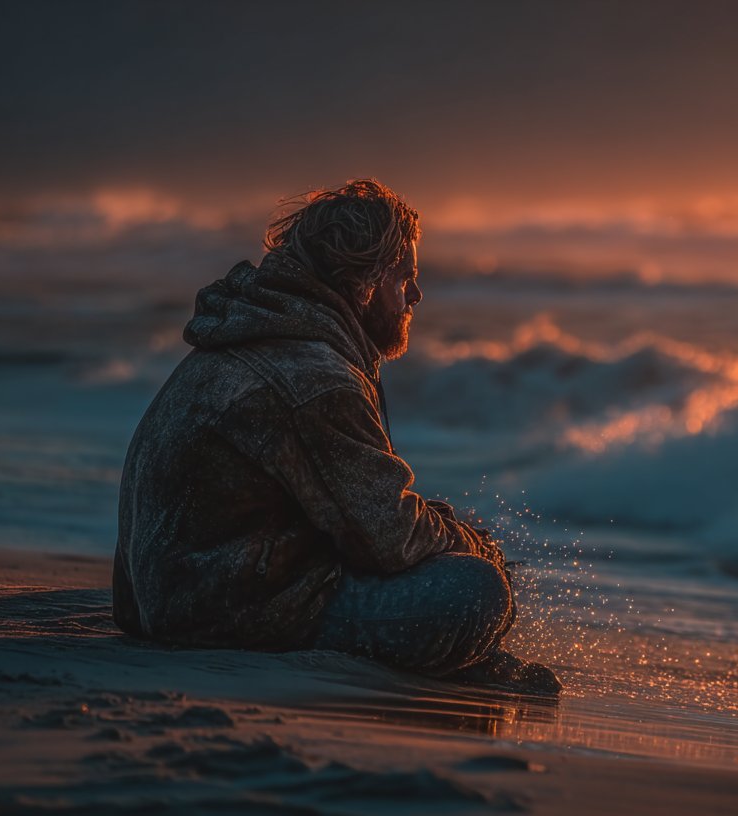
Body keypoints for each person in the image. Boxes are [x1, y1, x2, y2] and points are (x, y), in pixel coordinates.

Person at [111, 179, 559, 695]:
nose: (416, 294)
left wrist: (447, 533)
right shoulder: (314, 377)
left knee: (448, 553)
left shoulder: (248, 336)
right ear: (363, 281)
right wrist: (479, 549)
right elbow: (387, 539)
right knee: (475, 590)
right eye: (404, 277)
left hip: (162, 598)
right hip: (220, 614)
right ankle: (448, 662)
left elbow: (359, 519)